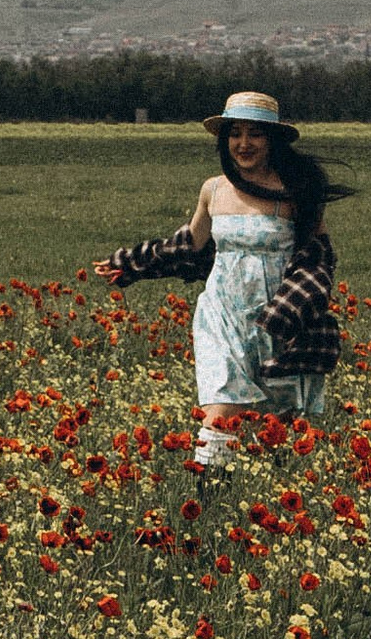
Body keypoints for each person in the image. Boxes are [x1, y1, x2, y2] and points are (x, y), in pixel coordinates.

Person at [94, 89, 348, 469]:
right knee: (220, 411)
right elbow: (188, 247)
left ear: (272, 139)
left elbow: (318, 257)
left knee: (275, 426)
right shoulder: (213, 189)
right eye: (235, 134)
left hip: (276, 318)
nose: (243, 144)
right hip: (221, 314)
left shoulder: (296, 193)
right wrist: (132, 264)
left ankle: (263, 501)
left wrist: (297, 308)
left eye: (255, 134)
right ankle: (208, 492)